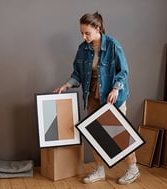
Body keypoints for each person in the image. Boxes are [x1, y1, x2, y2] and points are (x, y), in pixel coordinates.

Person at [54, 12, 140, 185]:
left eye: (87, 33)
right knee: (95, 133)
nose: (84, 36)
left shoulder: (113, 45)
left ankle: (133, 169)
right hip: (92, 95)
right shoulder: (82, 48)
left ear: (98, 29)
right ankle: (100, 170)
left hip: (112, 96)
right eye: (82, 33)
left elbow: (123, 72)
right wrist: (67, 85)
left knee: (118, 135)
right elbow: (77, 74)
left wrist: (116, 89)